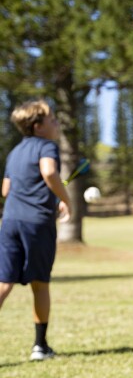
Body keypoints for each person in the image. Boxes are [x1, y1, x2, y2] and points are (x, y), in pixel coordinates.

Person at [0, 100, 71, 361]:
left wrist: (41, 194)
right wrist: (65, 198)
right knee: (40, 284)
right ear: (38, 126)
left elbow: (6, 190)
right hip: (36, 224)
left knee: (4, 282)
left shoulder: (15, 152)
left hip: (9, 222)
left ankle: (41, 347)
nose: (56, 124)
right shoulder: (47, 146)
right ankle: (40, 347)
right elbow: (49, 172)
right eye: (52, 119)